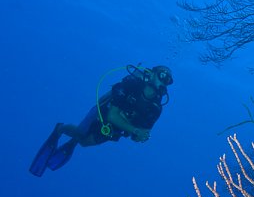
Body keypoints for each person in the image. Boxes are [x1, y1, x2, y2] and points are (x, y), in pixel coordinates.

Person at [30, 64, 174, 176]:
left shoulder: (155, 108)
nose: (164, 81)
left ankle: (73, 142)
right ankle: (60, 129)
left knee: (85, 142)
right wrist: (135, 129)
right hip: (103, 112)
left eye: (168, 80)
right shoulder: (131, 84)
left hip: (116, 129)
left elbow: (141, 135)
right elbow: (112, 115)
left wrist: (141, 136)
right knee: (81, 134)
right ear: (152, 73)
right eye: (162, 75)